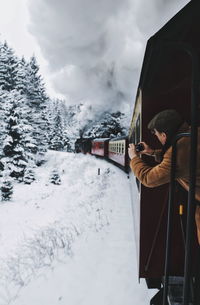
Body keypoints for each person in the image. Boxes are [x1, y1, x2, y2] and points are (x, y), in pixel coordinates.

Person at [128, 109, 200, 243]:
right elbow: (183, 160)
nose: (157, 138)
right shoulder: (192, 134)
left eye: (157, 134)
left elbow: (148, 178)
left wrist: (134, 158)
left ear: (164, 135)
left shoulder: (176, 153)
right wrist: (151, 152)